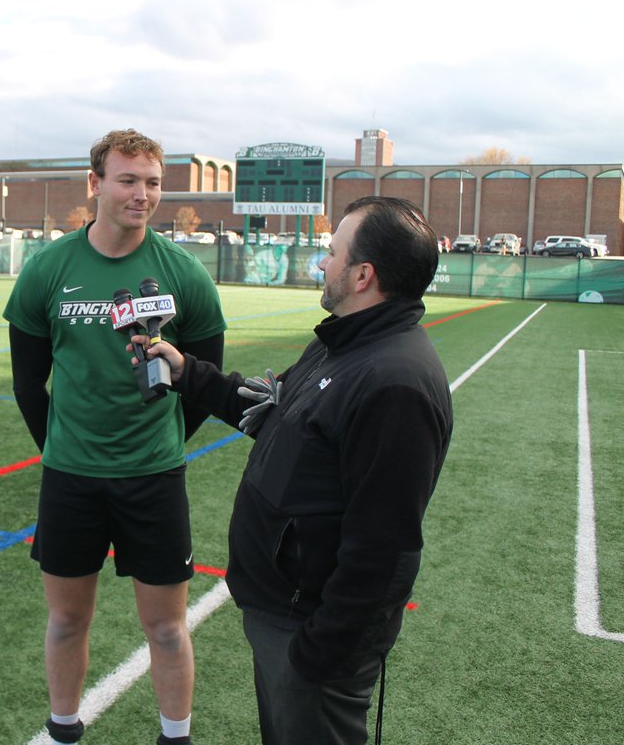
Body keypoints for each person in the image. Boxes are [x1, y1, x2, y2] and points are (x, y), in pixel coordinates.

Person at [131, 196, 453, 745]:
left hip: (312, 640)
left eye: (332, 253)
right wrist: (189, 373)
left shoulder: (394, 381)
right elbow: (273, 413)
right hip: (284, 616)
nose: (323, 264)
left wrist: (319, 654)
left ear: (363, 274)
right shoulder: (343, 343)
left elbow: (385, 547)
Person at [3, 129, 227, 745]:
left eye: (153, 182)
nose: (143, 194)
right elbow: (28, 383)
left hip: (153, 477)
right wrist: (59, 448)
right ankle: (63, 728)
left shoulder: (183, 274)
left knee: (165, 627)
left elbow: (203, 377)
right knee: (68, 618)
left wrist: (165, 437)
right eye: (128, 179)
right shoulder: (49, 268)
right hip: (71, 477)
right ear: (95, 183)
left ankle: (174, 736)